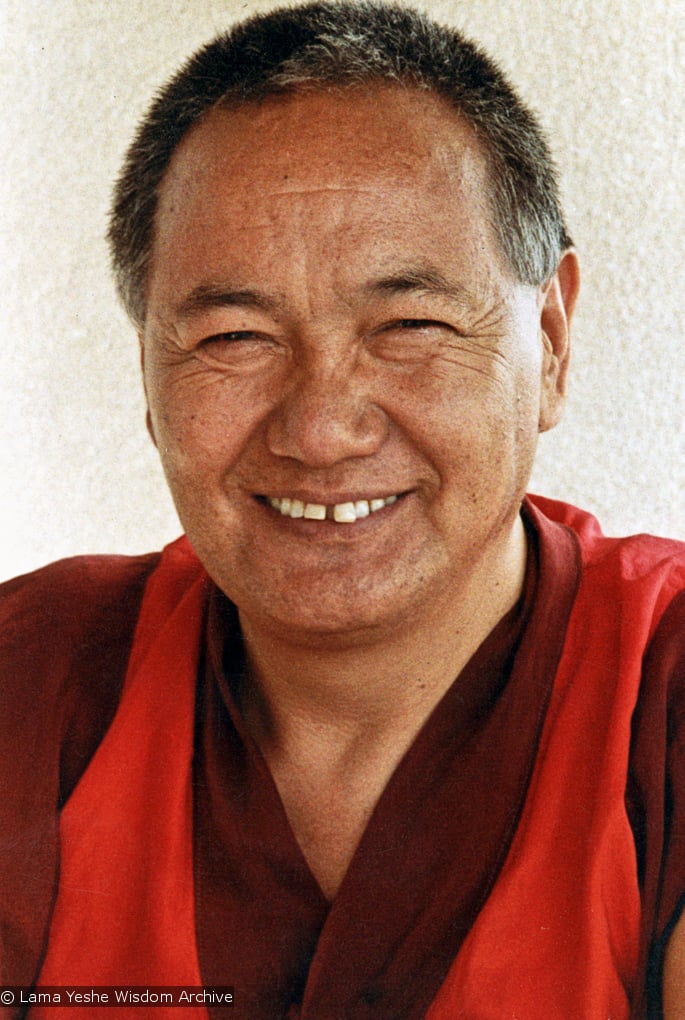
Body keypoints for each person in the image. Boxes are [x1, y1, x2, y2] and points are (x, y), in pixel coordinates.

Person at [1, 2, 684, 1017]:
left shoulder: (658, 689)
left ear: (547, 342)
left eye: (407, 321)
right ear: (148, 373)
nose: (320, 429)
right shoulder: (35, 678)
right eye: (234, 337)